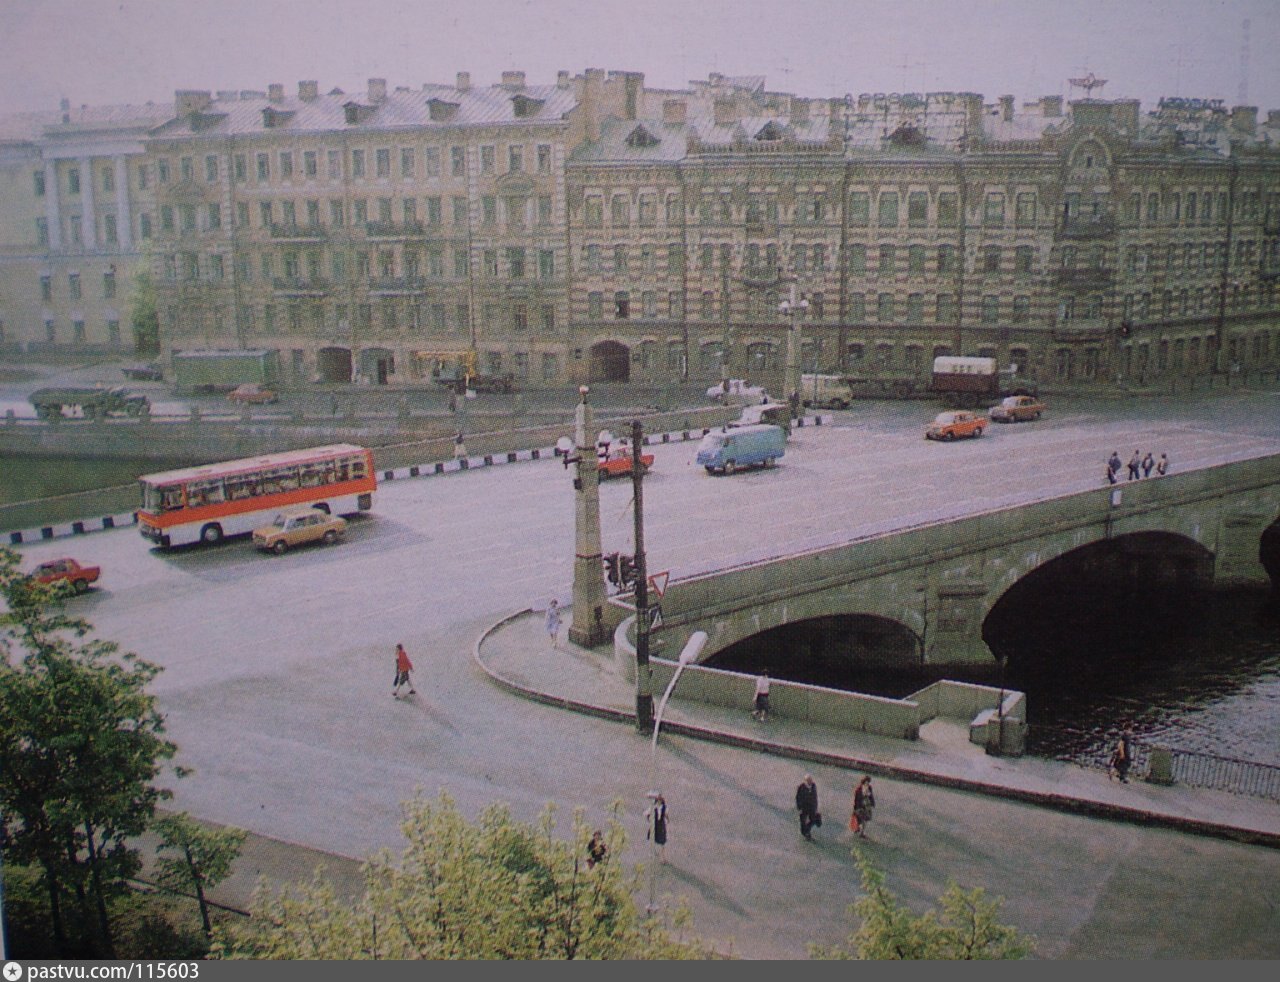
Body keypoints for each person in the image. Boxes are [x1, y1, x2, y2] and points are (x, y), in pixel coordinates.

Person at [795, 774, 820, 840]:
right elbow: (798, 798)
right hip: (804, 807)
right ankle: (805, 833)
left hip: (811, 807)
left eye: (811, 780)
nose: (810, 781)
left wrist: (816, 808)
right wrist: (799, 807)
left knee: (813, 820)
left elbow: (815, 797)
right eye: (808, 780)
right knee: (802, 821)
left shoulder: (813, 786)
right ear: (805, 781)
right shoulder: (801, 787)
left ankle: (807, 830)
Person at [646, 795, 669, 862]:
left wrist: (667, 820)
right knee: (652, 839)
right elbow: (646, 814)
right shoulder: (653, 808)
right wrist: (649, 819)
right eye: (658, 801)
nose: (659, 802)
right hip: (654, 826)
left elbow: (666, 815)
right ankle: (653, 852)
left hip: (661, 826)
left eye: (660, 801)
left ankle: (663, 858)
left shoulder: (664, 808)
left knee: (662, 842)